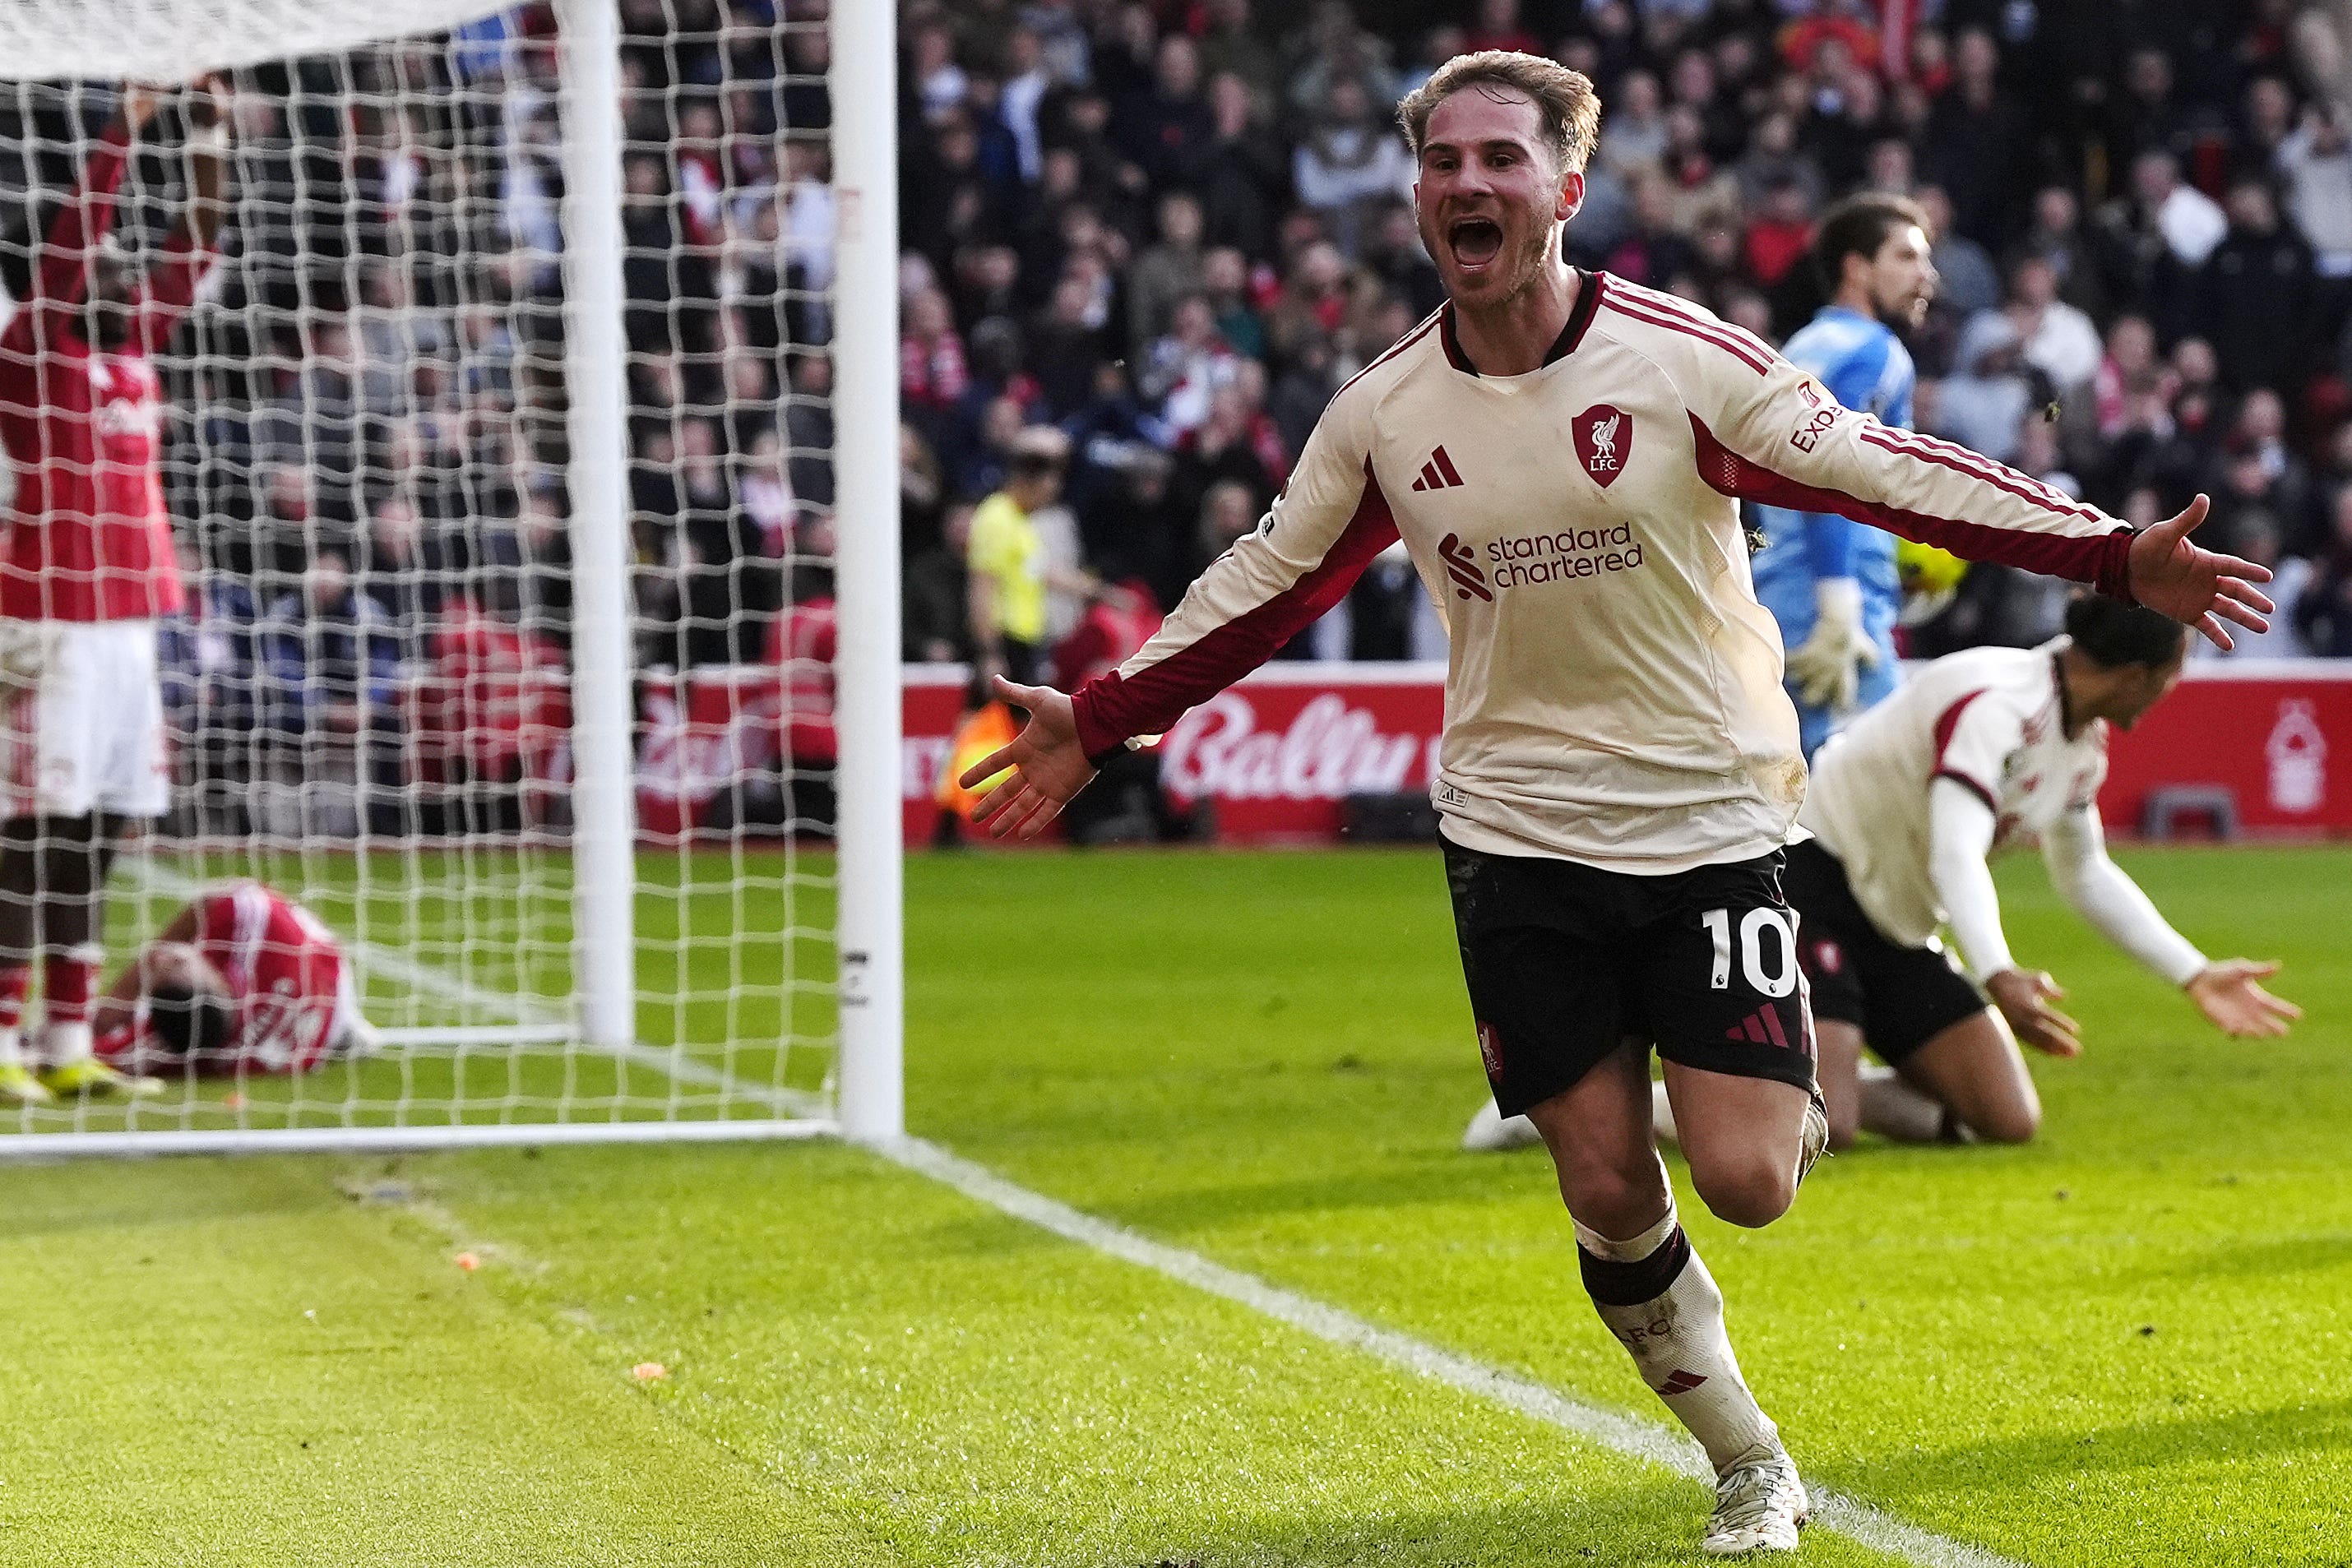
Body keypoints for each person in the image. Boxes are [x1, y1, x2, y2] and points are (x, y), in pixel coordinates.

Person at [956, 51, 2272, 1558]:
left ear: (1566, 190)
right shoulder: (1384, 414)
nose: (1469, 184)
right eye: (1444, 161)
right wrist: (1107, 719)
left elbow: (1890, 475)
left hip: (1710, 821)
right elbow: (1264, 582)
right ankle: (1748, 1460)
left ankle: (1736, 1089)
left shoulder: (1678, 362)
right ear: (1417, 195)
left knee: (1749, 1179)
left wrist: (2108, 555)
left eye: (1501, 160)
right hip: (1513, 831)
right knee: (1600, 1175)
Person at [1787, 594, 2299, 1149]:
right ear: (2134, 675)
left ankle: (1813, 1088)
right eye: (2175, 671)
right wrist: (1998, 971)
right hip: (1814, 884)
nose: (2172, 689)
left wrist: (2193, 972)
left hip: (1898, 921)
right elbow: (1955, 853)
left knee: (2007, 1119)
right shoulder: (1997, 703)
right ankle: (1757, 1100)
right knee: (1823, 1127)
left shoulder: (2078, 741)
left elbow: (2085, 872)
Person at [0, 80, 231, 1104]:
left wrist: (207, 138)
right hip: (48, 618)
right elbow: (69, 247)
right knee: (27, 829)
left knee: (98, 830)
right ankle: (4, 1040)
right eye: (102, 254)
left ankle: (65, 1040)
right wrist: (123, 134)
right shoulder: (30, 353)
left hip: (133, 623)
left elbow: (201, 242)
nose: (120, 264)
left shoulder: (133, 355)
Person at [1750, 194, 1933, 760]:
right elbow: (1832, 473)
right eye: (1906, 257)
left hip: (1779, 590)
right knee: (1877, 788)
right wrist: (1840, 603)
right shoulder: (1875, 353)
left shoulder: (1801, 348)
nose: (1927, 276)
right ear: (1857, 268)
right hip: (1830, 601)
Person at [92, 880, 377, 1077]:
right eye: (178, 962)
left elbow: (97, 1051)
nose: (160, 956)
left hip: (305, 1020)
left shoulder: (162, 1055)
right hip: (331, 994)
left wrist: (112, 1008)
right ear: (217, 982)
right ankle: (345, 1033)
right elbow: (233, 894)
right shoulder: (263, 934)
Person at [965, 427, 1128, 688]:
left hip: (1025, 641)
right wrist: (990, 653)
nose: (1050, 496)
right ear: (1027, 481)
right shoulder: (996, 519)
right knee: (997, 725)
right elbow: (982, 587)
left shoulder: (1020, 521)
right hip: (1005, 642)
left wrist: (1102, 592)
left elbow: (1042, 573)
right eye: (1047, 488)